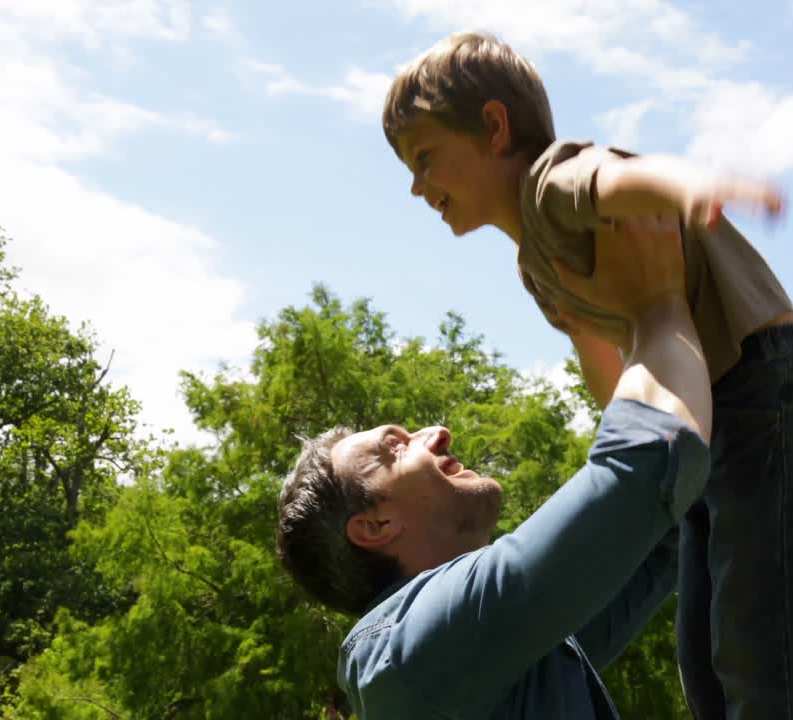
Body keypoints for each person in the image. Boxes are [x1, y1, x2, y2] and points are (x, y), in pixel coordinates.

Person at [380, 31, 793, 719]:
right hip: (709, 425)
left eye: (425, 158)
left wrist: (692, 185)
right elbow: (607, 368)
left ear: (494, 127)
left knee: (759, 645)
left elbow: (613, 181)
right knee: (706, 660)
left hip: (763, 384)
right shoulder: (534, 266)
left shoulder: (548, 182)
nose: (417, 186)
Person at [278, 217, 712, 718]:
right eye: (394, 448)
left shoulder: (491, 655)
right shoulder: (416, 651)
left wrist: (579, 320)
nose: (436, 432)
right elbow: (645, 468)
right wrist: (658, 299)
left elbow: (656, 529)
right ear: (374, 526)